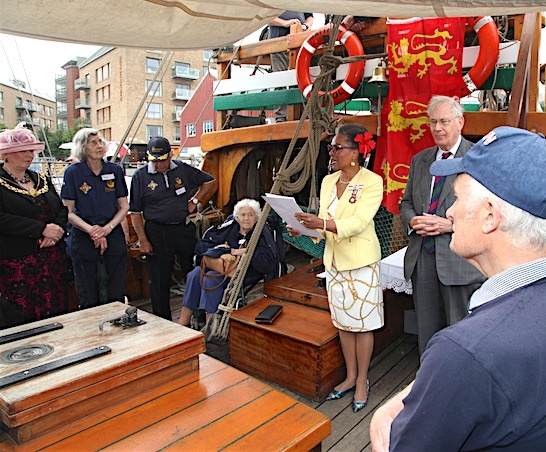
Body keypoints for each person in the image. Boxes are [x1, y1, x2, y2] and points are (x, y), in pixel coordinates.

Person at [370, 126, 546, 451]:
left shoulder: (464, 350)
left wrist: (383, 419)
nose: (449, 211)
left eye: (459, 198)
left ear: (489, 215)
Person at [289, 123, 383, 413]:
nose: (331, 152)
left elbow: (358, 223)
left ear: (355, 153)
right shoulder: (329, 181)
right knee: (343, 322)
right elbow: (322, 226)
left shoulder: (372, 182)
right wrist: (302, 229)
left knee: (362, 325)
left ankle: (363, 380)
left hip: (361, 263)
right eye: (331, 147)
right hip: (334, 262)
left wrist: (322, 224)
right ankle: (350, 376)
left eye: (337, 147)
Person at [399, 95, 485, 356]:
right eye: (433, 122)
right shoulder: (421, 160)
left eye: (444, 121)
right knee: (426, 334)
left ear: (460, 121)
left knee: (461, 333)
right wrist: (413, 221)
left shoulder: (478, 158)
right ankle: (430, 382)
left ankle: (459, 387)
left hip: (459, 261)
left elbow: (488, 211)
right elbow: (406, 203)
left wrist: (450, 226)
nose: (438, 128)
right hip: (422, 259)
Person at [129, 136, 215, 320]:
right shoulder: (140, 177)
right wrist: (143, 240)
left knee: (194, 271)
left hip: (183, 229)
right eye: (155, 161)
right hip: (157, 232)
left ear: (170, 155)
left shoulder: (183, 169)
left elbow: (209, 181)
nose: (159, 165)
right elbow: (135, 213)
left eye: (162, 160)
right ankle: (163, 321)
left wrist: (195, 201)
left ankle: (199, 315)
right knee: (159, 280)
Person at [0, 127, 70, 328]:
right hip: (17, 266)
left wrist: (55, 229)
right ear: (6, 153)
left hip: (52, 263)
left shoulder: (41, 179)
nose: (29, 155)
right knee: (21, 321)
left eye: (31, 150)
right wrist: (40, 229)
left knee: (55, 315)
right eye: (23, 150)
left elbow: (61, 209)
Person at [178, 198, 286, 326]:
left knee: (211, 280)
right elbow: (202, 246)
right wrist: (221, 251)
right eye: (243, 215)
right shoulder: (228, 229)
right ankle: (184, 322)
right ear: (237, 217)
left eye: (251, 215)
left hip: (246, 272)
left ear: (257, 217)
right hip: (221, 268)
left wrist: (246, 252)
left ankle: (211, 325)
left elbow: (266, 263)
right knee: (195, 274)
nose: (247, 218)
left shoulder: (261, 234)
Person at [61, 128, 129, 308]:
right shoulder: (73, 173)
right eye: (94, 143)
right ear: (83, 147)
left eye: (101, 141)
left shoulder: (114, 170)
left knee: (116, 287)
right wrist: (92, 231)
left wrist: (107, 229)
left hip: (112, 230)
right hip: (84, 232)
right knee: (87, 289)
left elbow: (124, 206)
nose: (100, 146)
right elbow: (67, 212)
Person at [268, 11, 313, 122]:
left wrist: (306, 25)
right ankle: (281, 117)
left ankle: (303, 114)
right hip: (278, 43)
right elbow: (264, 18)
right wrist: (285, 23)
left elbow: (310, 16)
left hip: (301, 43)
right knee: (280, 80)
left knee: (302, 79)